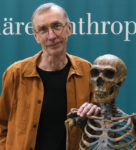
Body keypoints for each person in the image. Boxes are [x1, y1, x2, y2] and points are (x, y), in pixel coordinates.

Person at [0, 3, 100, 150]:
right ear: (36, 36)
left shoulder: (87, 71)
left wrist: (94, 115)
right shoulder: (15, 73)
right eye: (43, 30)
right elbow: (1, 125)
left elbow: (94, 133)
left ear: (69, 29)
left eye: (57, 26)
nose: (52, 36)